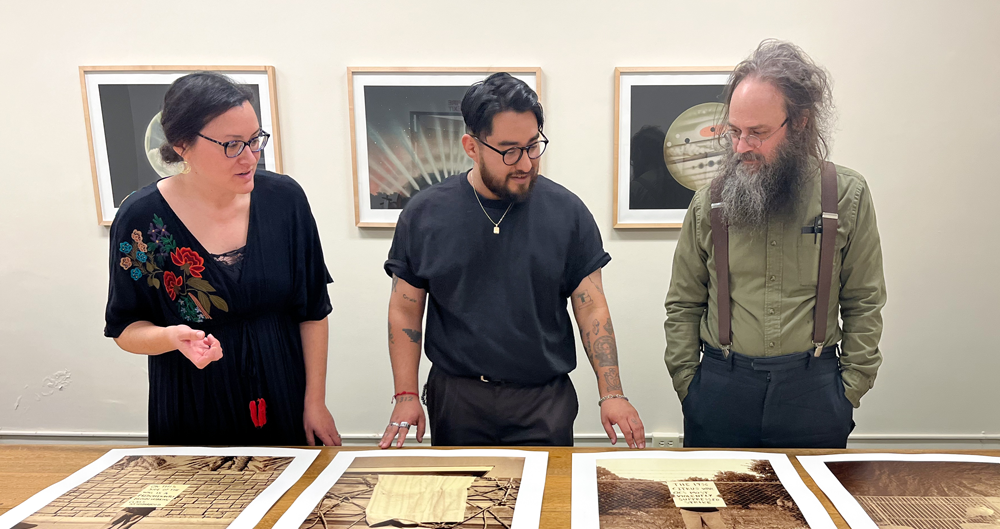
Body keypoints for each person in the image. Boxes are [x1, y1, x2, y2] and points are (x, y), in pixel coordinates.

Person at [380, 73, 645, 448]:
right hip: (458, 399)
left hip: (543, 401)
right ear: (471, 146)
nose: (524, 162)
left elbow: (592, 307)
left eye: (533, 146)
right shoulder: (424, 214)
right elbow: (405, 310)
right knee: (463, 504)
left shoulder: (567, 212)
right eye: (509, 150)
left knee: (549, 505)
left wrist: (612, 392)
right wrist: (405, 395)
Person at [664, 40, 886, 448]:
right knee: (712, 513)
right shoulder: (708, 202)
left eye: (758, 133)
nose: (741, 146)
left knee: (813, 510)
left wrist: (850, 389)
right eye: (735, 132)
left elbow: (864, 300)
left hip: (814, 391)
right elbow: (683, 303)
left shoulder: (846, 196)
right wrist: (689, 384)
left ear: (799, 122)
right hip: (719, 389)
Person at [105, 72, 340, 446]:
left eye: (254, 140)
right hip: (193, 401)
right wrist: (171, 336)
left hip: (283, 391)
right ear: (182, 144)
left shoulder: (284, 200)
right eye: (232, 145)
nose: (249, 157)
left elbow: (312, 309)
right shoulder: (141, 219)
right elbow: (125, 328)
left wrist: (315, 401)